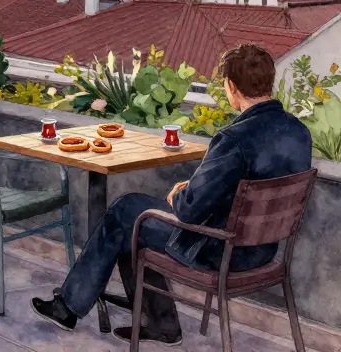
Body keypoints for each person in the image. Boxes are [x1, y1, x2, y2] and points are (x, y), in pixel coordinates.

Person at [31, 43, 313, 346]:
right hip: (262, 250)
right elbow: (248, 190)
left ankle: (72, 307)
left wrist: (181, 193)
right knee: (132, 221)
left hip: (219, 249)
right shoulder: (299, 132)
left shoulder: (233, 139)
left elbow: (189, 211)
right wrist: (197, 192)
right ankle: (157, 322)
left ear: (231, 87)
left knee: (126, 212)